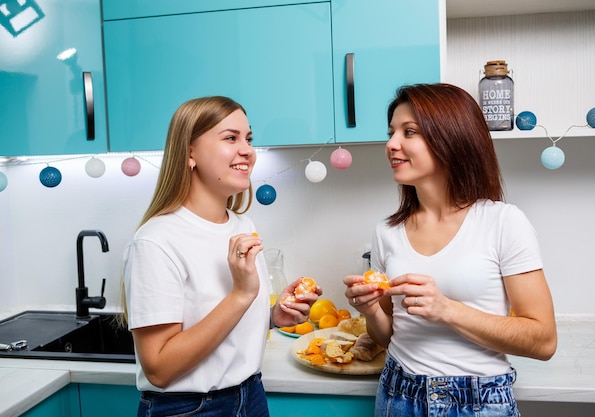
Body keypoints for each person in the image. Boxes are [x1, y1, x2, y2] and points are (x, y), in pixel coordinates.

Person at [343, 83, 557, 417]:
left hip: (479, 400)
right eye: (391, 132)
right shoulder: (387, 231)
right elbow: (388, 335)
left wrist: (447, 309)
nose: (391, 144)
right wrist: (370, 310)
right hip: (398, 394)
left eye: (409, 132)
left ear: (451, 139)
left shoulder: (503, 222)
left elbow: (543, 341)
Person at [122, 96, 320, 417]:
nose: (248, 150)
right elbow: (159, 368)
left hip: (251, 395)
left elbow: (217, 323)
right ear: (190, 153)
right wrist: (241, 295)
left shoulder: (241, 224)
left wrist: (271, 316)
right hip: (189, 409)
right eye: (231, 138)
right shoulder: (156, 241)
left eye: (249, 138)